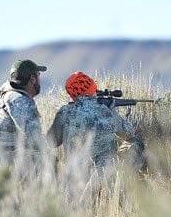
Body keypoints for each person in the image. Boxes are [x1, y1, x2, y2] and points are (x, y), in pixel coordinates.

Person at [47, 71, 143, 203]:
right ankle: (128, 187)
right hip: (105, 178)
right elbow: (129, 133)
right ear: (91, 88)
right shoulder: (105, 111)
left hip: (74, 180)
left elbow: (51, 141)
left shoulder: (65, 112)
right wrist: (112, 111)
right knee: (136, 143)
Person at [0, 59, 48, 176]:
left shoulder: (10, 97)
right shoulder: (19, 99)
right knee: (45, 162)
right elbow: (35, 137)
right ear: (32, 79)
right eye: (38, 75)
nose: (39, 79)